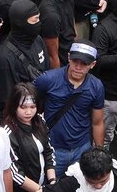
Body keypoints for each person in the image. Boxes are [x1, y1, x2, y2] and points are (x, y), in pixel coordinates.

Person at [33, 42, 106, 175]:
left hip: (82, 149)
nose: (78, 67)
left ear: (92, 65)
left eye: (84, 63)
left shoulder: (96, 86)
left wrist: (99, 153)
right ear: (68, 58)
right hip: (53, 149)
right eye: (75, 62)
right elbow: (28, 101)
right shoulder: (48, 79)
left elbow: (98, 122)